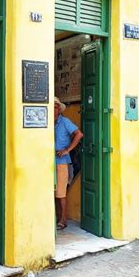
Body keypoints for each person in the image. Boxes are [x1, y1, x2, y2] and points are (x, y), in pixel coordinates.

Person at [54, 97, 83, 230]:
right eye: (52, 107)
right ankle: (54, 217)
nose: (53, 109)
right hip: (47, 161)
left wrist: (67, 150)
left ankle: (63, 219)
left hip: (61, 162)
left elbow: (79, 134)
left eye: (55, 107)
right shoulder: (46, 122)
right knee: (50, 191)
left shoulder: (65, 122)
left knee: (61, 192)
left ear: (59, 109)